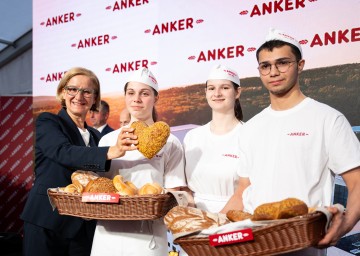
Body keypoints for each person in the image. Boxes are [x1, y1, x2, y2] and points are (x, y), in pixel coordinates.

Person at [221, 28, 360, 255]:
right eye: (266, 66)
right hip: (253, 245)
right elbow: (243, 191)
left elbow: (357, 183)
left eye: (282, 63)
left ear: (300, 65)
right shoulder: (251, 128)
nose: (273, 72)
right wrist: (212, 229)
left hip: (305, 246)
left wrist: (344, 226)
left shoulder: (327, 119)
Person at [21, 67, 139, 256]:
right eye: (72, 89)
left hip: (83, 229)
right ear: (63, 92)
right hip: (48, 223)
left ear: (94, 98)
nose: (79, 96)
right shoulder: (49, 122)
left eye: (87, 91)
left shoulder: (94, 135)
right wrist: (112, 151)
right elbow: (64, 152)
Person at [90, 67, 186, 256]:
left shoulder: (171, 143)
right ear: (125, 96)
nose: (137, 99)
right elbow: (97, 188)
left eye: (145, 93)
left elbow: (174, 193)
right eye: (131, 93)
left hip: (148, 236)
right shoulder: (108, 141)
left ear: (156, 98)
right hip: (107, 233)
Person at [183, 64, 244, 213]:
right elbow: (184, 188)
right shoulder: (192, 137)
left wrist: (217, 222)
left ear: (237, 92)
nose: (217, 93)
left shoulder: (248, 135)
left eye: (224, 88)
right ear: (206, 92)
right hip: (196, 221)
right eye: (211, 88)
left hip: (234, 221)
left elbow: (248, 189)